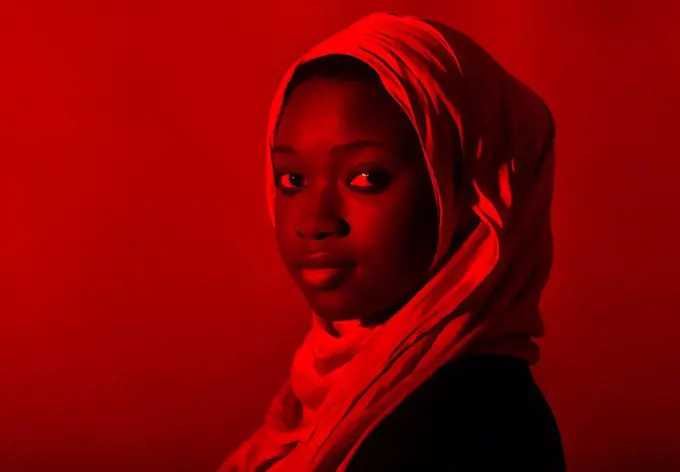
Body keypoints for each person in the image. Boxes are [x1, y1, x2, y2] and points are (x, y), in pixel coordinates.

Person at [219, 12, 565, 472]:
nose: (315, 221)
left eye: (365, 177)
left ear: (466, 191)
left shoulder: (472, 423)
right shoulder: (322, 401)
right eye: (292, 179)